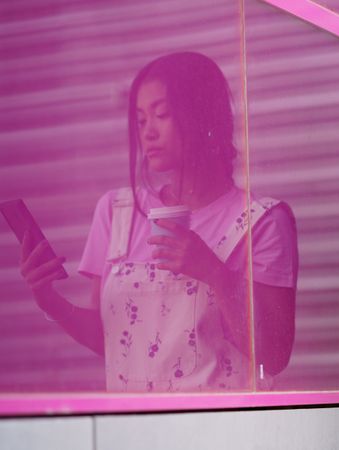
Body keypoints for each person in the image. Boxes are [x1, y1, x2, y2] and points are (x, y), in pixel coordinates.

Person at [19, 52, 298, 392]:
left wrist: (214, 273)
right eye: (140, 120)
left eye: (161, 115)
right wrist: (51, 302)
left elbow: (274, 353)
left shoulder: (263, 222)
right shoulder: (116, 212)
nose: (147, 133)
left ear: (203, 116)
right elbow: (110, 340)